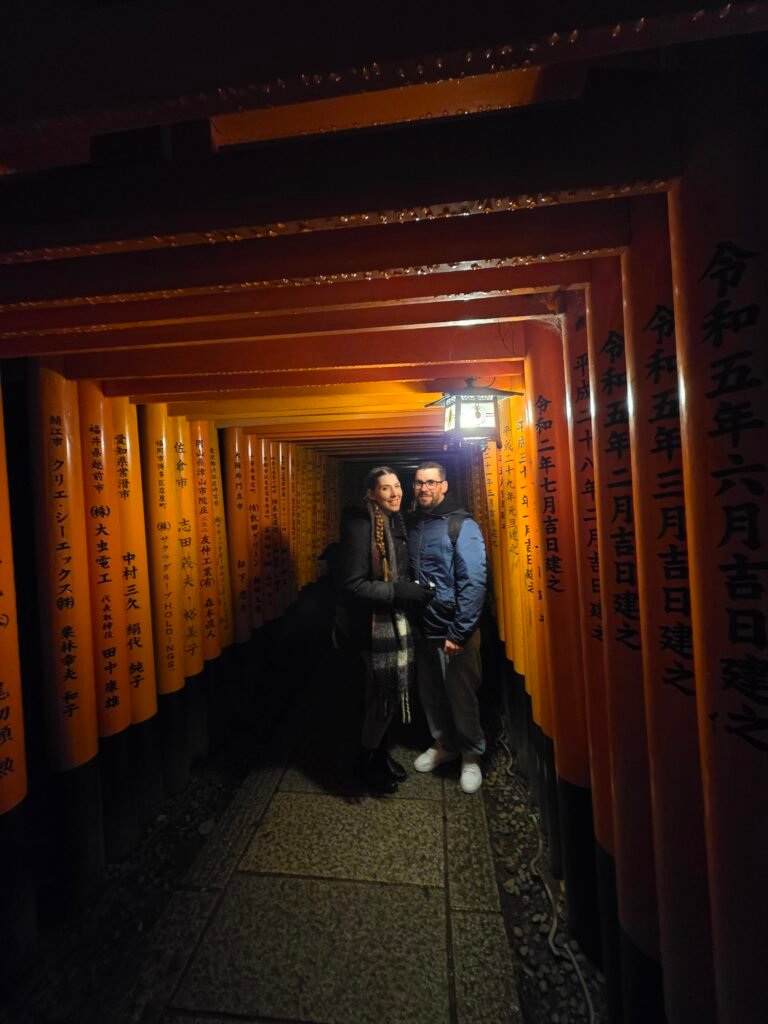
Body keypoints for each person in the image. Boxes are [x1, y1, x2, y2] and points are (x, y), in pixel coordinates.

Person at [337, 466, 435, 794]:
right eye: (385, 489)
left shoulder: (393, 522)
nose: (395, 493)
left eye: (397, 486)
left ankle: (377, 753)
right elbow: (353, 584)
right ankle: (364, 762)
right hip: (371, 625)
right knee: (383, 696)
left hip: (393, 620)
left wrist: (407, 588)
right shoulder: (361, 526)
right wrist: (398, 592)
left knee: (381, 695)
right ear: (370, 494)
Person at [407, 460, 488, 793]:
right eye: (418, 483)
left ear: (444, 486)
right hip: (423, 627)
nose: (423, 488)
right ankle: (444, 745)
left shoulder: (462, 525)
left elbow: (474, 580)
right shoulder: (416, 524)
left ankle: (471, 755)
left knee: (461, 695)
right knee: (431, 693)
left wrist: (460, 631)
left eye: (430, 482)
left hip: (454, 630)